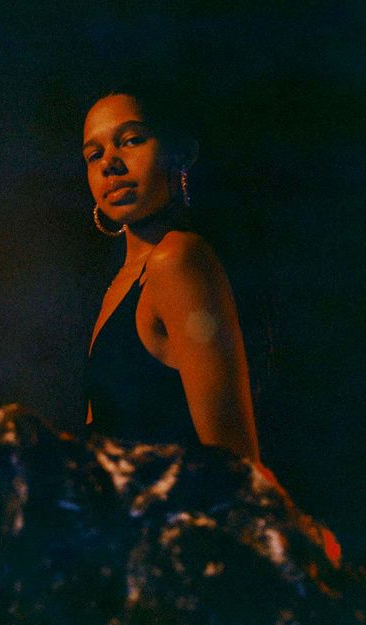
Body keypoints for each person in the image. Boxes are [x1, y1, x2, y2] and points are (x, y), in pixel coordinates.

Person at [83, 86, 259, 461]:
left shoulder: (178, 259)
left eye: (131, 140)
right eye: (94, 155)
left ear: (179, 154)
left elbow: (234, 462)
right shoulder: (118, 284)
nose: (109, 163)